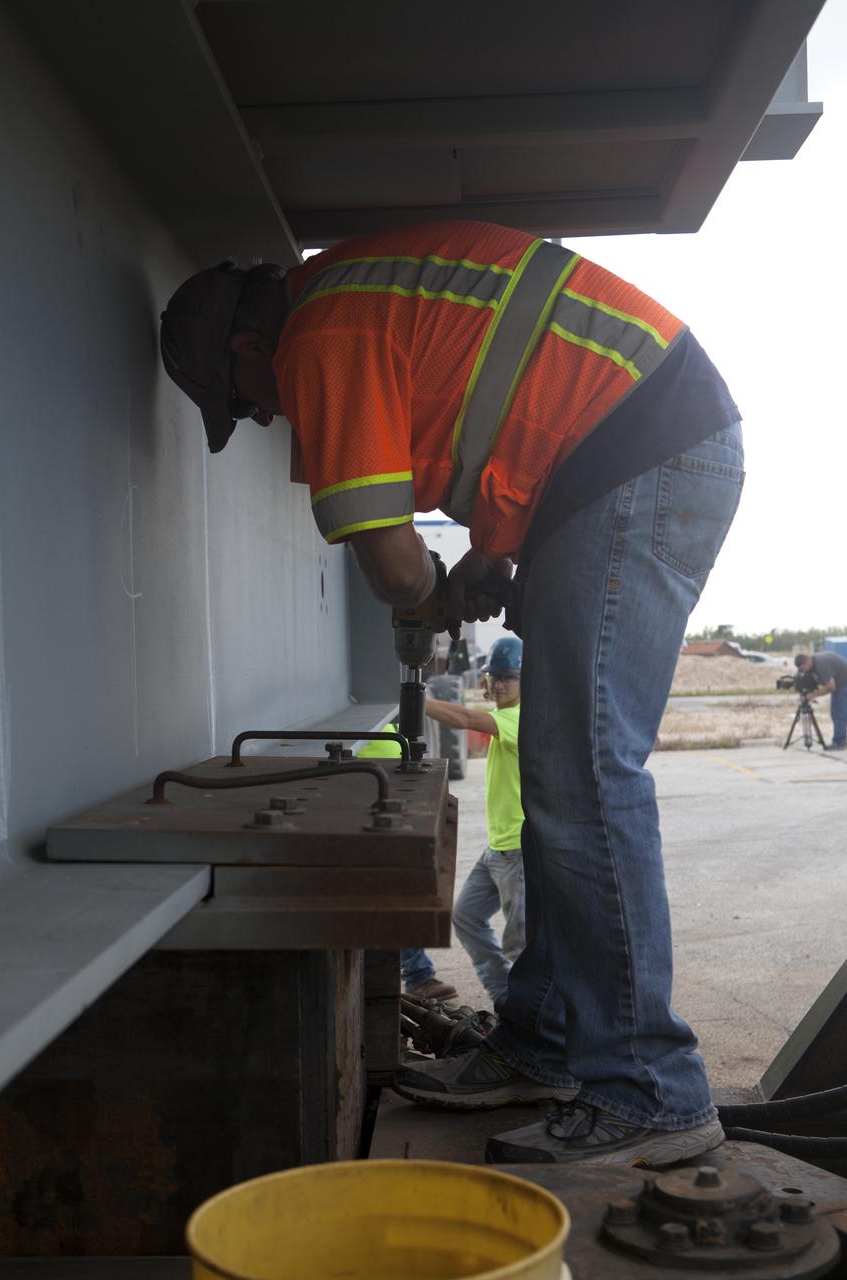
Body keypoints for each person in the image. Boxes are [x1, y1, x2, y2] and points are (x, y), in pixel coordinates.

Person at [161, 220, 744, 1166]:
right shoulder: (362, 295)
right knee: (564, 782)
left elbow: (392, 566)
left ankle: (647, 1090)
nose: (271, 420)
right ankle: (546, 1044)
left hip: (640, 456)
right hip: (622, 455)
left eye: (250, 405)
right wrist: (476, 563)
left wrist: (429, 595)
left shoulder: (321, 333)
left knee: (585, 780)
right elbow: (524, 431)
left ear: (246, 348)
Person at [425, 636, 526, 1010]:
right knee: (466, 917)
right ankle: (506, 1000)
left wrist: (414, 697)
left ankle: (533, 1026)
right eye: (494, 676)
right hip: (497, 848)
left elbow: (467, 719)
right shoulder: (506, 713)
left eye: (508, 677)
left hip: (518, 851)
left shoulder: (520, 718)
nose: (497, 684)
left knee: (522, 947)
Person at [358, 725, 458, 1002]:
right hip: (365, 791)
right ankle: (417, 976)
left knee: (398, 890)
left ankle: (417, 976)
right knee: (391, 892)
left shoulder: (383, 720)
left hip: (383, 789)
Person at [795, 652, 847, 750]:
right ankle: (841, 739)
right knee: (838, 713)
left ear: (806, 663)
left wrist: (813, 695)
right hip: (841, 684)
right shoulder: (814, 661)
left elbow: (831, 687)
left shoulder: (821, 664)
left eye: (803, 669)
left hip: (843, 685)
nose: (804, 671)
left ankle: (840, 742)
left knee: (839, 713)